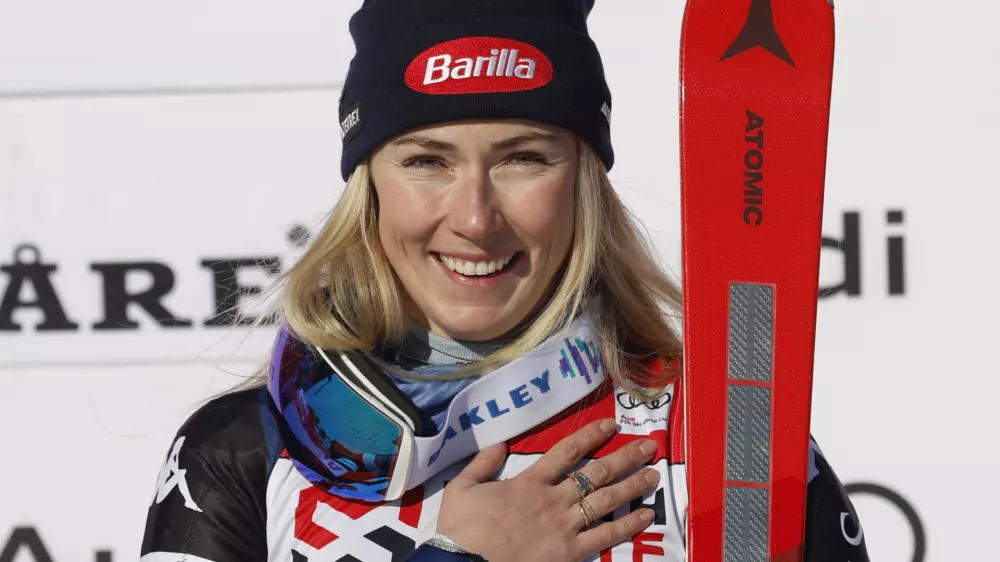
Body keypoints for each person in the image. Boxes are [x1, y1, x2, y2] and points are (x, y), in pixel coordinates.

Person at [139, 0, 870, 561]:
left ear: (584, 180)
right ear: (371, 187)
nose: (476, 218)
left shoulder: (722, 435)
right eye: (427, 161)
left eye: (524, 158)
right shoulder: (245, 449)